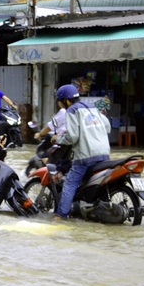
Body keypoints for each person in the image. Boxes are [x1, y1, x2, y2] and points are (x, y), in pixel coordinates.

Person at [51, 84, 111, 220]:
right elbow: (107, 127)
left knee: (70, 183)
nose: (61, 105)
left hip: (85, 156)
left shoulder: (71, 110)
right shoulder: (93, 108)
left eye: (61, 102)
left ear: (66, 100)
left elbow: (73, 136)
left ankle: (61, 216)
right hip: (104, 154)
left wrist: (58, 139)